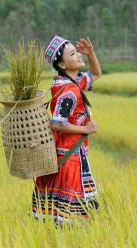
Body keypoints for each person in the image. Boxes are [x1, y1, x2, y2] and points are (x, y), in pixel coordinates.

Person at [31, 35, 102, 226]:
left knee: (57, 215)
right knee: (74, 217)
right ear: (62, 65)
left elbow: (95, 75)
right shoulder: (70, 90)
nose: (78, 55)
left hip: (67, 153)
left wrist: (91, 54)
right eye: (73, 54)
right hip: (69, 157)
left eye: (77, 51)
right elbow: (57, 123)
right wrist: (84, 128)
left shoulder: (73, 82)